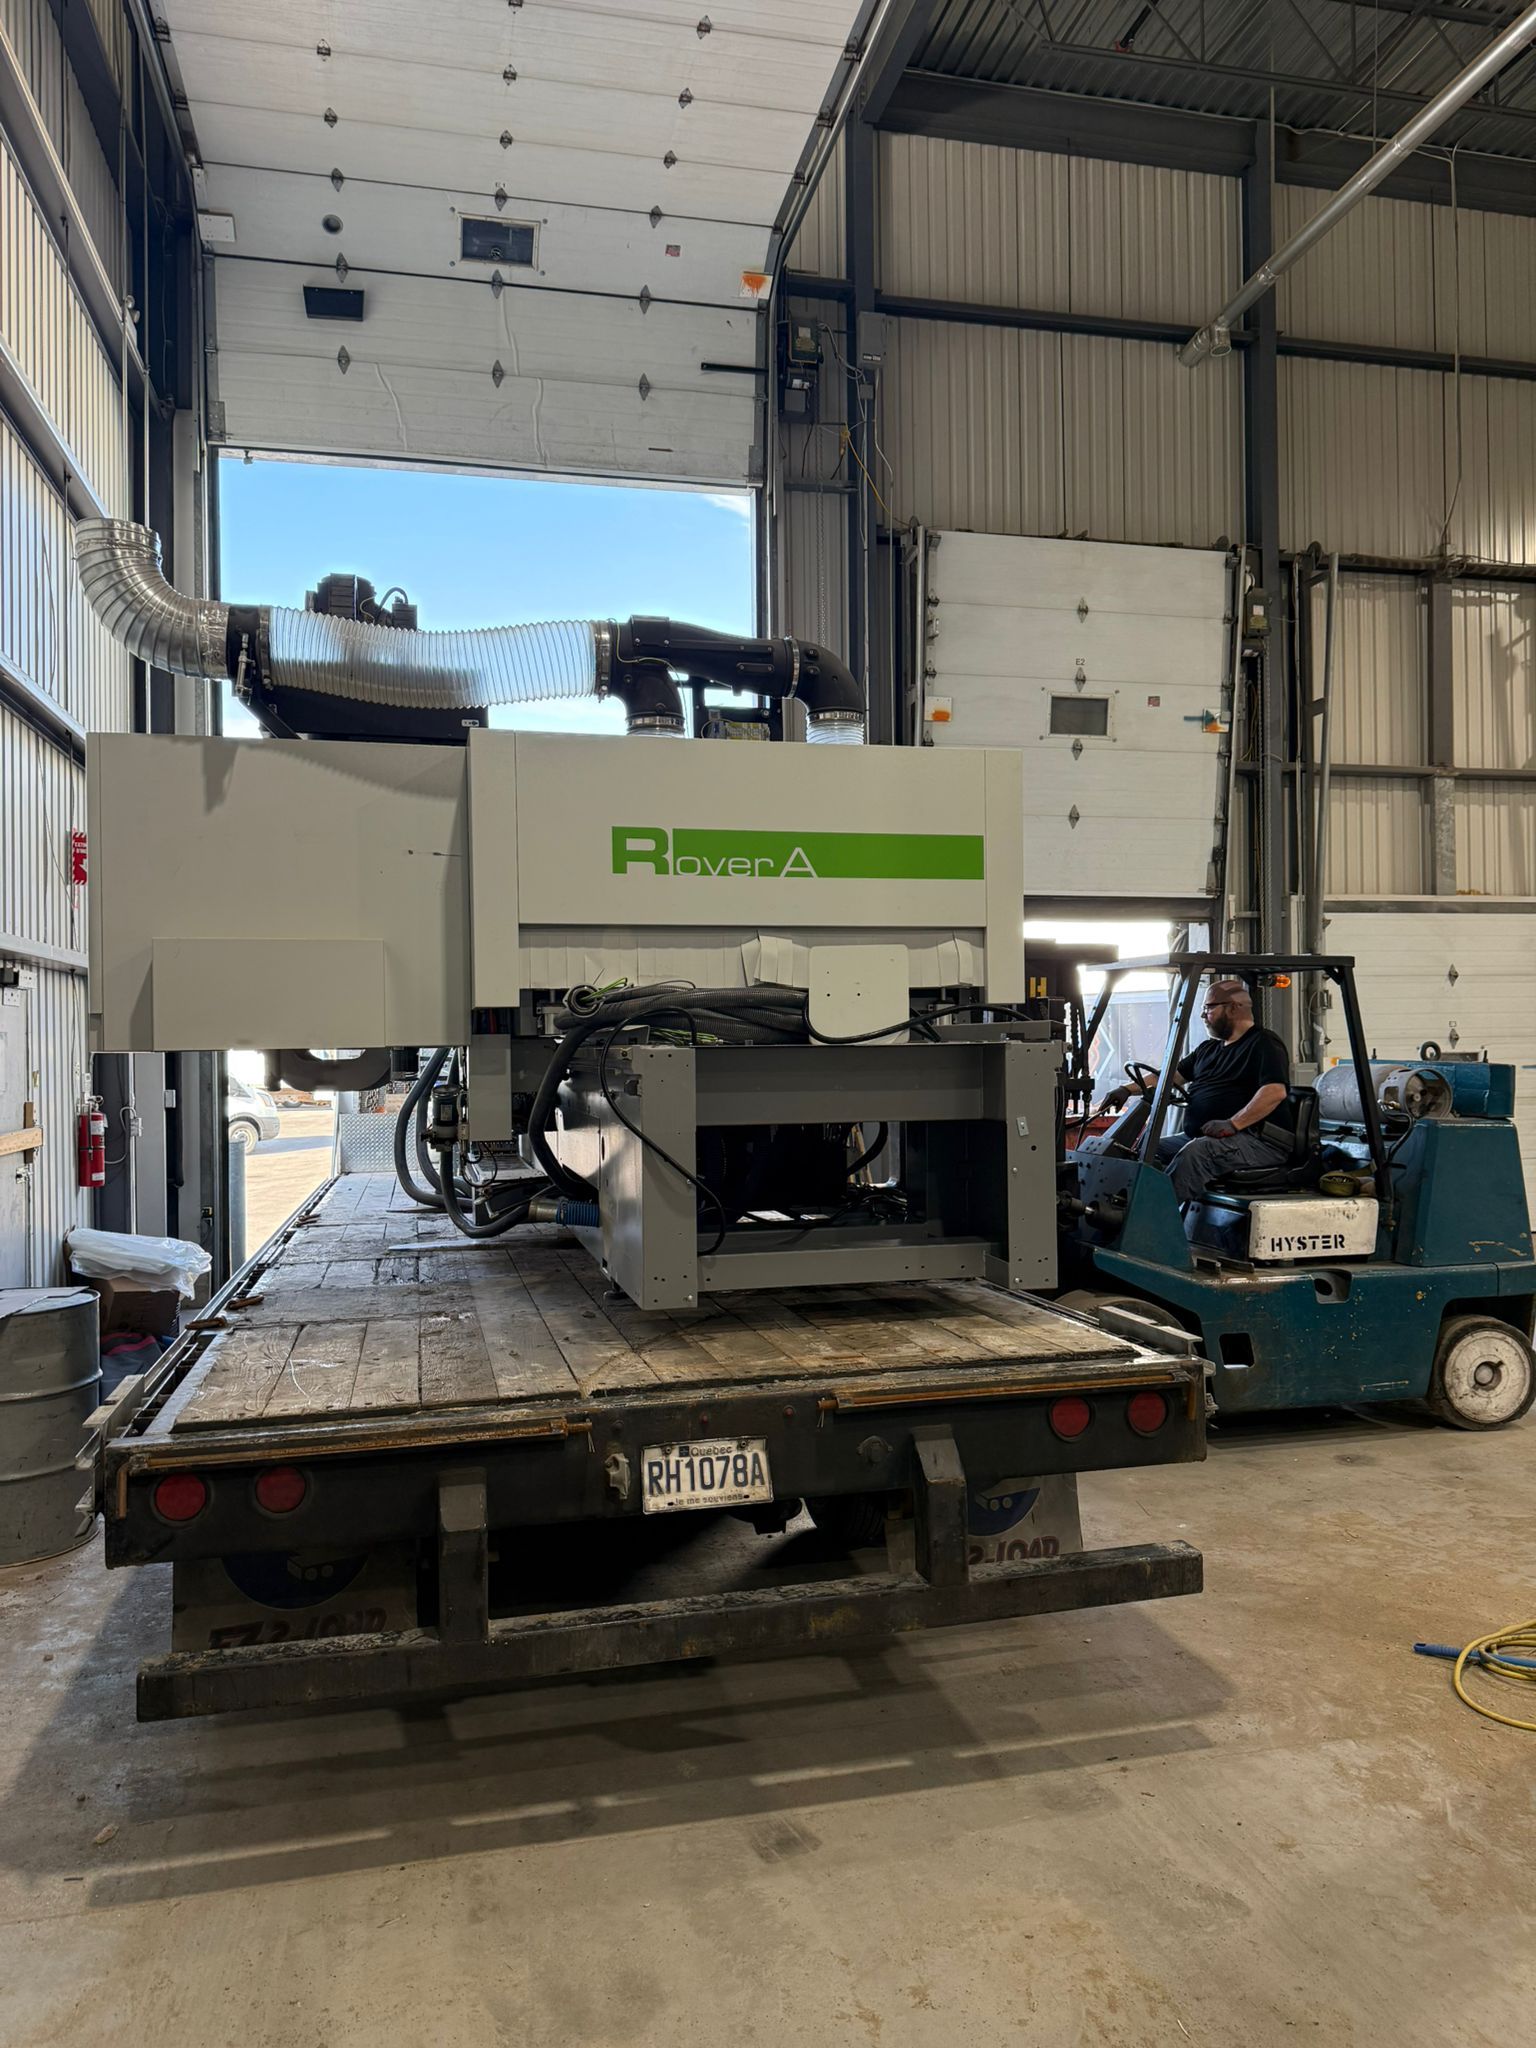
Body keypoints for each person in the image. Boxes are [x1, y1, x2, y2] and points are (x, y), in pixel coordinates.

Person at [1098, 977, 1292, 1205]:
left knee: (1196, 1153)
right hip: (1205, 1137)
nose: (1203, 1015)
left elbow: (1274, 1091)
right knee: (1148, 1149)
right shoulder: (1208, 1049)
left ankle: (1150, 1226)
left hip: (1256, 1141)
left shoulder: (1263, 1043)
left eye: (1208, 1008)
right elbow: (1169, 1077)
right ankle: (1124, 1208)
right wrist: (1126, 1089)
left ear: (1232, 1008)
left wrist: (1233, 1123)